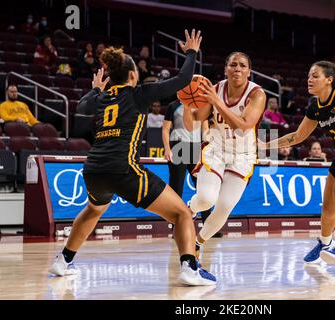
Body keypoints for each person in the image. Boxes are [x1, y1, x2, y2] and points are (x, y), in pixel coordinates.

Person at [48, 29, 216, 286]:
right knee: (182, 213)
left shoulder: (101, 98)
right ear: (132, 75)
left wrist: (95, 90)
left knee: (94, 209)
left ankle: (64, 260)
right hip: (123, 168)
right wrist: (192, 52)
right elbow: (183, 80)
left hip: (93, 169)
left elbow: (81, 107)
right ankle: (189, 267)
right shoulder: (140, 94)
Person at [260, 60, 335, 269]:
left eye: (315, 76)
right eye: (309, 75)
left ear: (329, 80)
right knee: (327, 207)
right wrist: (265, 145)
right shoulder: (315, 107)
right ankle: (325, 244)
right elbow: (298, 136)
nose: (310, 79)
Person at [183, 51, 266, 259]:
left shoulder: (257, 94)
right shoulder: (216, 89)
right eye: (233, 64)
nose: (237, 68)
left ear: (249, 71)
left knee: (225, 207)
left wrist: (216, 103)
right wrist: (186, 103)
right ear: (225, 69)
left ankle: (196, 242)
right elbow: (192, 123)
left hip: (243, 155)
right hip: (217, 149)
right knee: (206, 199)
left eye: (242, 65)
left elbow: (244, 127)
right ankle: (188, 210)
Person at [162, 99, 221, 237]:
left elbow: (205, 128)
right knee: (176, 188)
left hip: (196, 148)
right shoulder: (173, 105)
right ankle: (176, 228)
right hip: (178, 146)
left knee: (203, 188)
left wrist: (208, 145)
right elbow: (165, 129)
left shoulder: (201, 105)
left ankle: (208, 228)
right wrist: (167, 148)